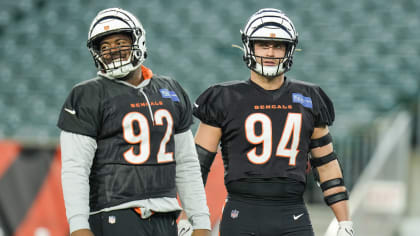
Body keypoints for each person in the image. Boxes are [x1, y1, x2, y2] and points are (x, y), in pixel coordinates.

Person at [193, 8, 354, 236]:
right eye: (263, 44)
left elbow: (326, 164)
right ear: (249, 46)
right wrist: (188, 216)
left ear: (289, 50)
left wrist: (344, 221)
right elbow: (197, 167)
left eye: (279, 46)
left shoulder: (309, 98)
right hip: (241, 213)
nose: (270, 52)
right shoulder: (223, 98)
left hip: (292, 215)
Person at [57, 8, 210, 236]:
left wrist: (201, 220)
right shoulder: (87, 95)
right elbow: (75, 168)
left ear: (138, 40)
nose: (112, 51)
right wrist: (78, 226)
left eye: (120, 42)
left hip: (166, 217)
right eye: (105, 47)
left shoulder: (170, 90)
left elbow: (186, 163)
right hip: (114, 215)